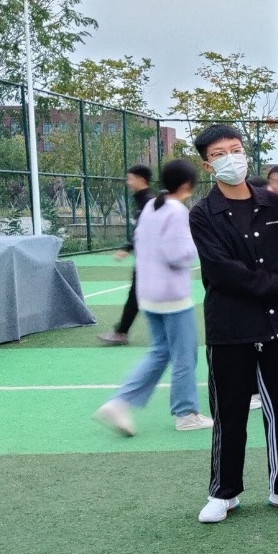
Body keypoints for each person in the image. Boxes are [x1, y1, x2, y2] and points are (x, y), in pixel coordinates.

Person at [188, 125, 278, 524]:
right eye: (219, 154)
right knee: (229, 414)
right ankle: (223, 492)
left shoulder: (273, 202)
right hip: (230, 328)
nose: (231, 158)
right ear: (207, 165)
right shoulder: (203, 214)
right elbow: (223, 271)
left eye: (236, 149)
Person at [93, 160, 213, 436]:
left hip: (148, 292)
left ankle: (120, 402)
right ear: (187, 185)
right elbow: (177, 255)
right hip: (171, 295)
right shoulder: (176, 211)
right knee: (184, 354)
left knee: (161, 352)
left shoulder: (151, 206)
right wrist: (197, 245)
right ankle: (186, 413)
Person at [99, 164, 154, 346]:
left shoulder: (149, 202)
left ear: (141, 180)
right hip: (146, 257)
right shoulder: (142, 200)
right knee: (138, 294)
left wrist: (127, 247)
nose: (128, 182)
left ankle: (121, 331)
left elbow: (144, 230)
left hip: (150, 259)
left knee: (138, 294)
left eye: (130, 179)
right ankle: (121, 330)